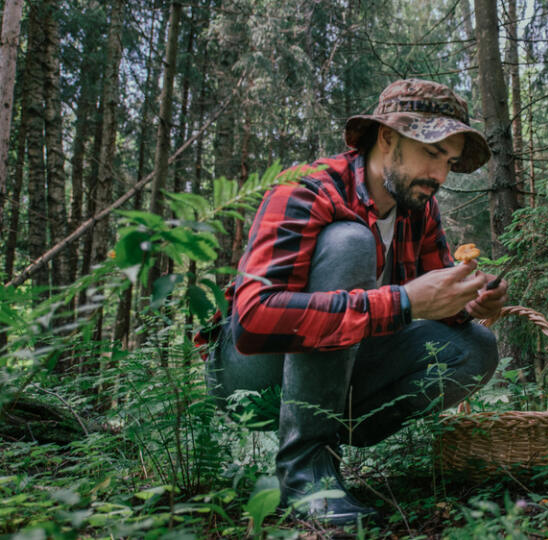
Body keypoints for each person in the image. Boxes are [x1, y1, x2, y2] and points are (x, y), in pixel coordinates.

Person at [203, 79, 508, 525]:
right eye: (431, 153)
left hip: (341, 366)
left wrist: (471, 303)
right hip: (247, 370)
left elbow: (433, 299)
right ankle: (305, 469)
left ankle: (327, 441)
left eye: (449, 161)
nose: (440, 176)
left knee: (475, 348)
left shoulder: (419, 208)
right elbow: (253, 323)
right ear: (387, 136)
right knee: (351, 242)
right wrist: (404, 302)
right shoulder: (307, 189)